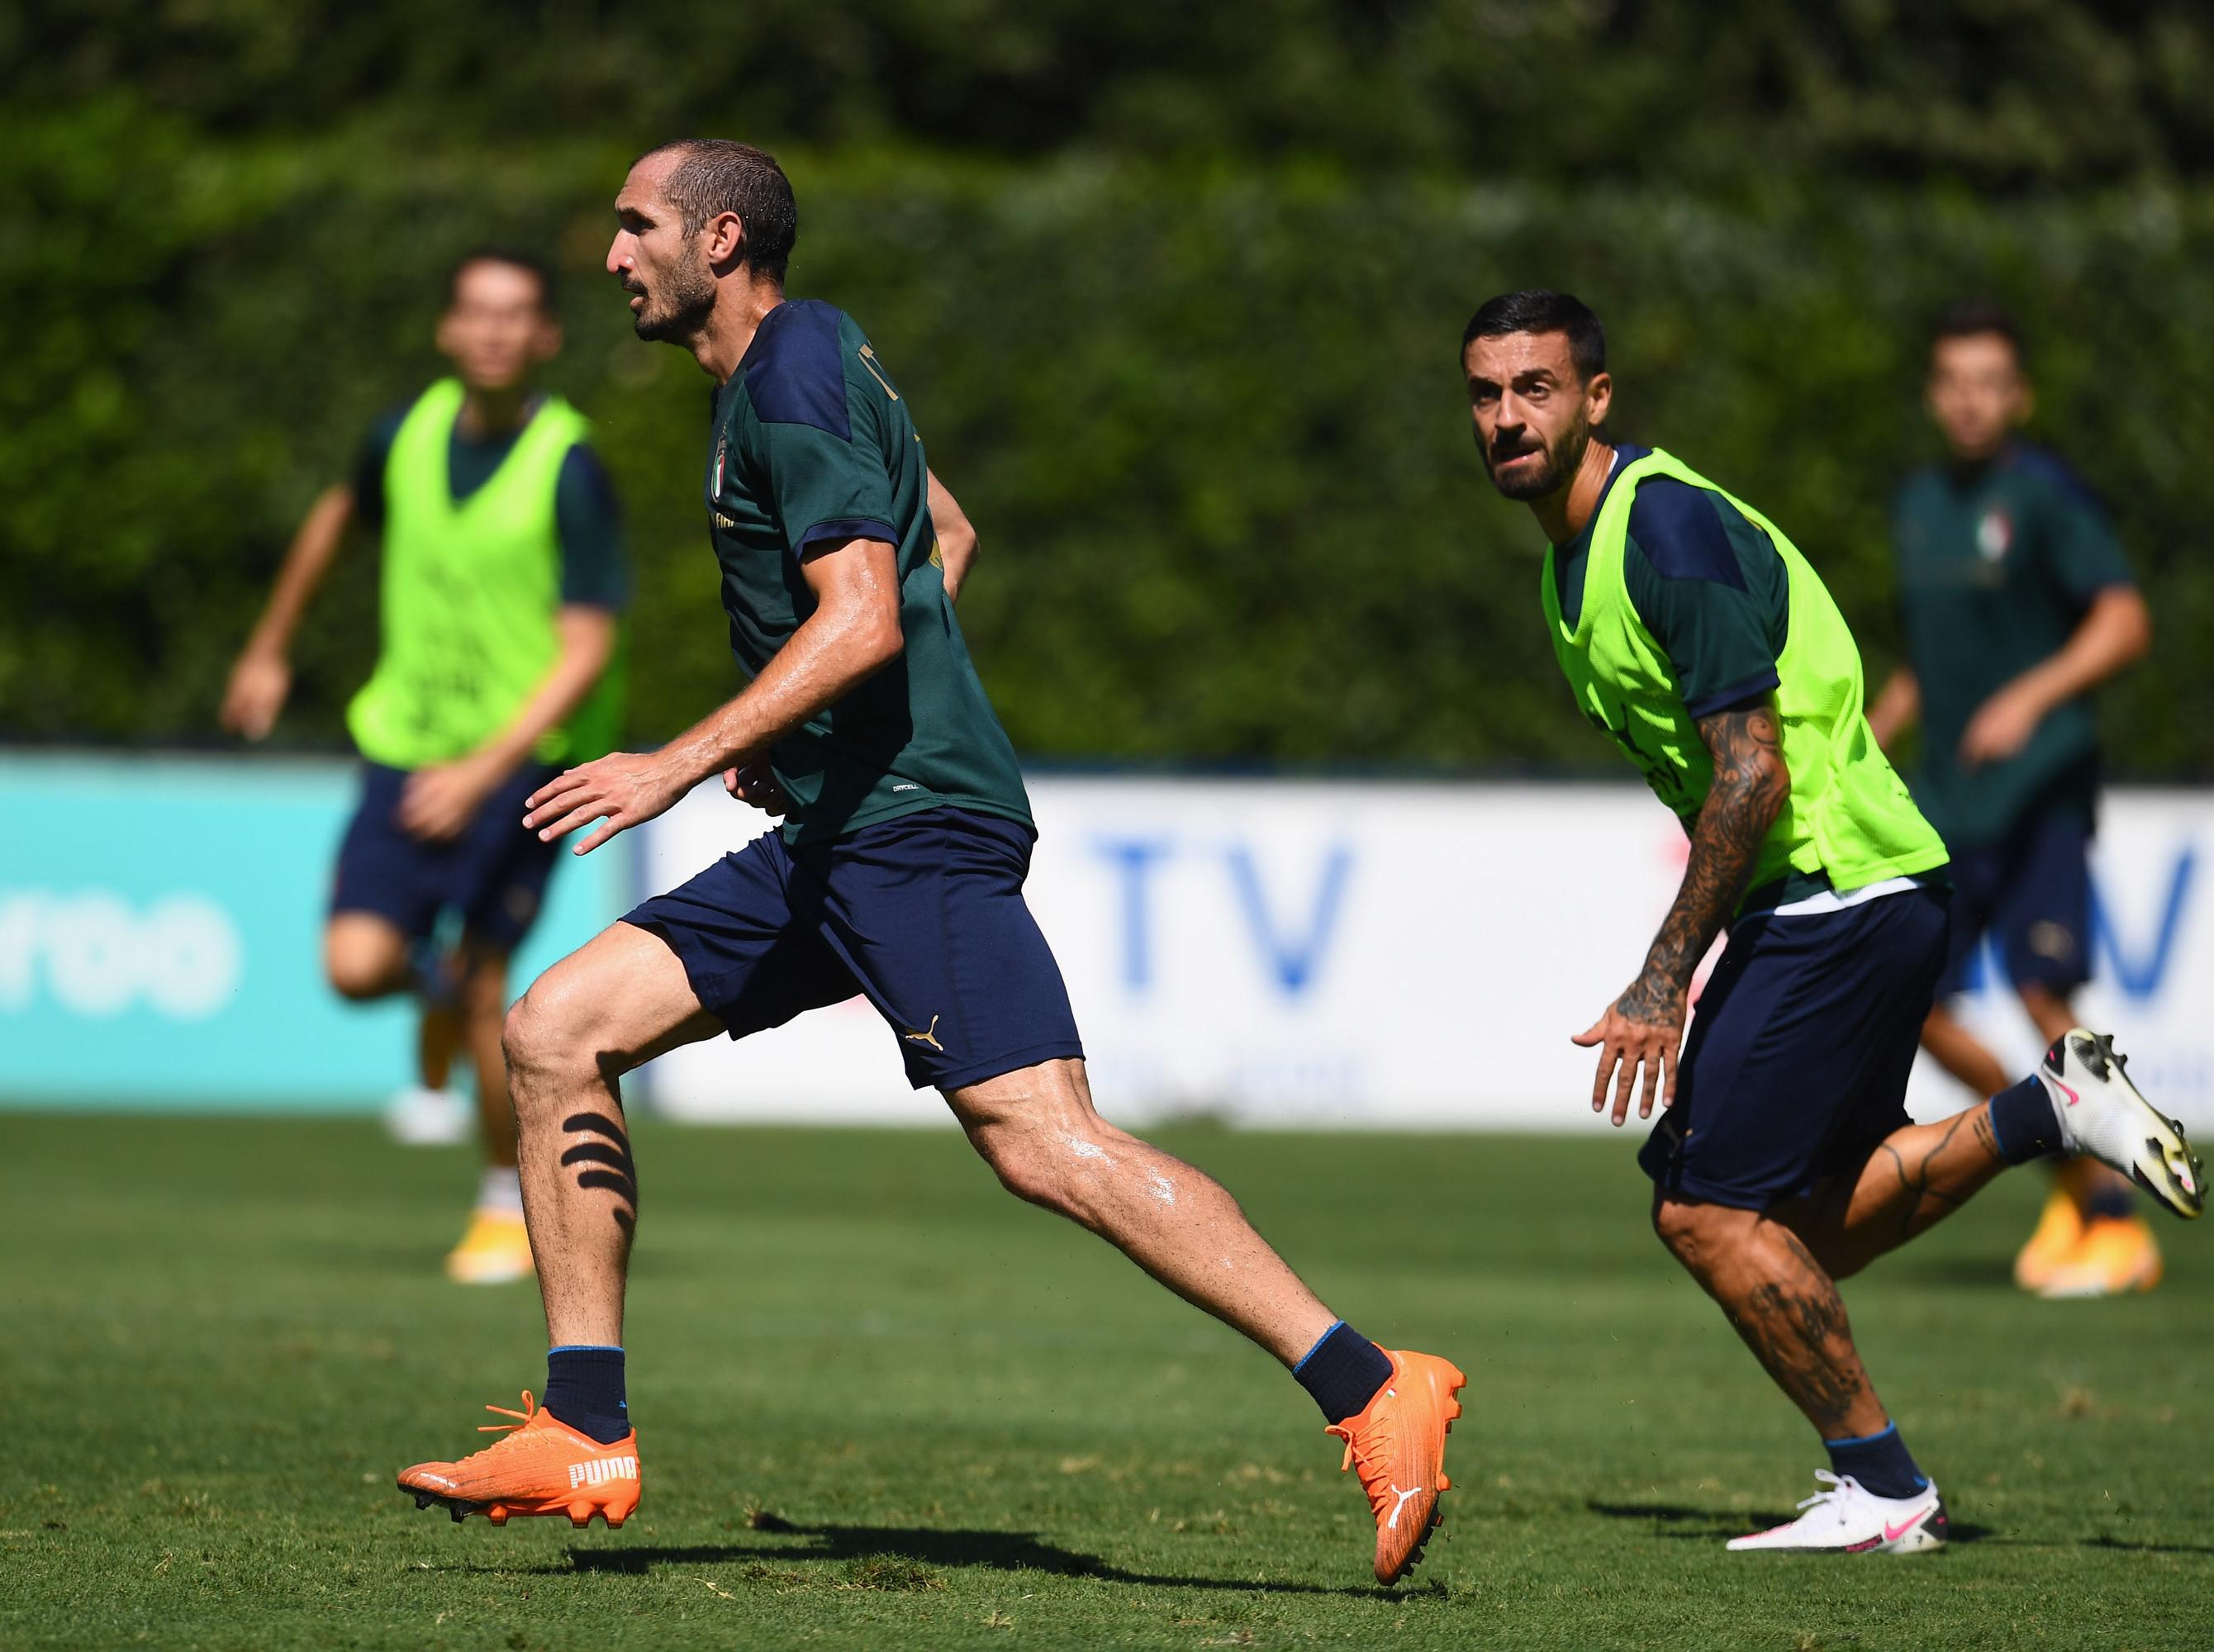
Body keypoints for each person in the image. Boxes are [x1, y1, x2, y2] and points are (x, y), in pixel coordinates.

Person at [394, 140, 1463, 1586]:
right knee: (554, 1030)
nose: (612, 255)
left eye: (637, 226)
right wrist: (807, 722)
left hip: (910, 826)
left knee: (1045, 1142)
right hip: (842, 826)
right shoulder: (801, 365)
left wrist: (683, 760)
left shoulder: (789, 371)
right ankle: (586, 1426)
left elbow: (866, 618)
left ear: (721, 240)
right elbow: (945, 535)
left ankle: (1374, 1386)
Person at [1458, 289, 2200, 1554]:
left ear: (1597, 398)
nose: (1507, 417)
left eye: (1537, 388)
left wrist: (1662, 981)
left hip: (1835, 893)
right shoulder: (1568, 565)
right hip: (1859, 889)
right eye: (1485, 394)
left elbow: (1754, 775)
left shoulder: (1660, 528)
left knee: (1705, 1214)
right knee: (1797, 1230)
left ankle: (1887, 1488)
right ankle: (2050, 1110)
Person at [221, 248, 628, 1284]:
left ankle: (502, 1202)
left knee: (494, 988)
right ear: (448, 328)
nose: (493, 330)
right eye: (476, 311)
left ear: (546, 337)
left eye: (516, 314)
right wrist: (270, 645)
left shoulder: (569, 465)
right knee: (355, 965)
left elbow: (587, 646)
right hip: (406, 745)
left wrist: (486, 770)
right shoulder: (400, 435)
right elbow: (335, 516)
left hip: (526, 766)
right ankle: (430, 987)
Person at [1868, 303, 2159, 1298]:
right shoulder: (1917, 503)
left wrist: (2031, 698)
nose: (1970, 400)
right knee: (1910, 1002)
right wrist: (1876, 728)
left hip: (2041, 790)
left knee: (2044, 997)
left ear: (2019, 396)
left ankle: (2117, 1221)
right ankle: (2078, 1177)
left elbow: (2125, 621)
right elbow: (1936, 653)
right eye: (1953, 381)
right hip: (1948, 802)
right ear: (1933, 393)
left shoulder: (2045, 498)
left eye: (1989, 382)